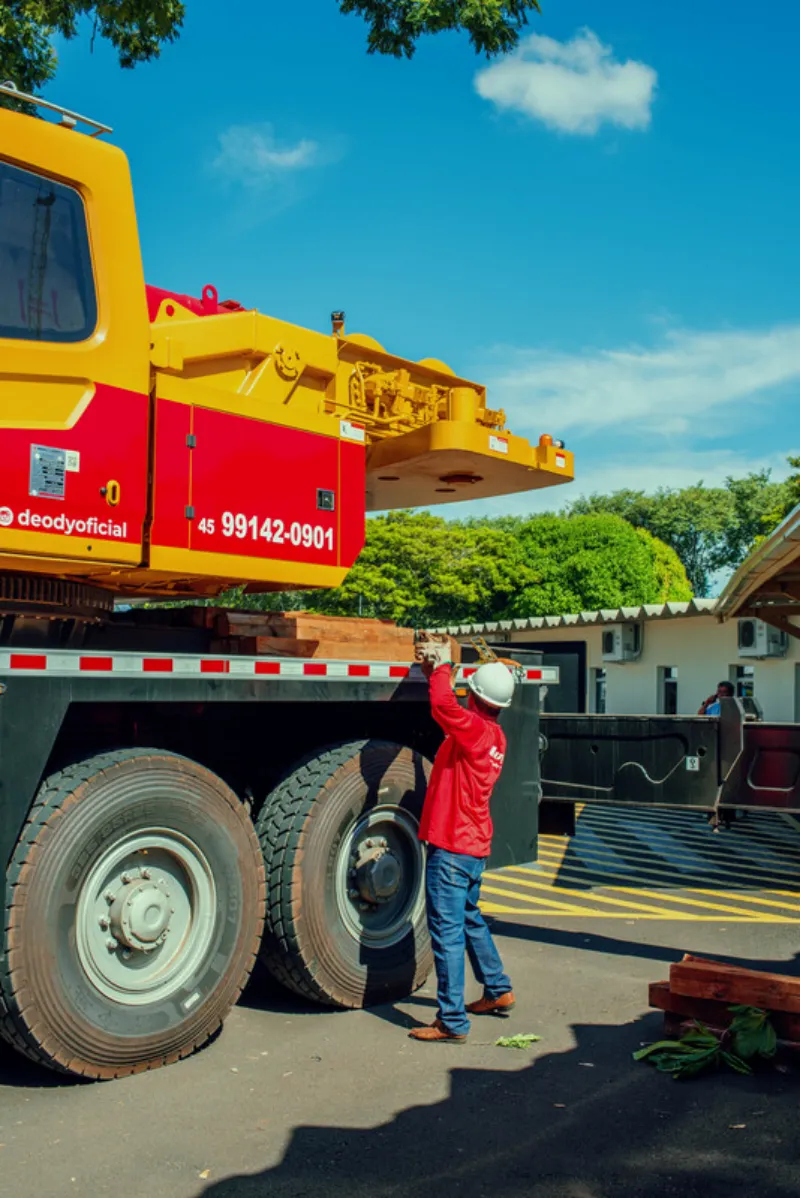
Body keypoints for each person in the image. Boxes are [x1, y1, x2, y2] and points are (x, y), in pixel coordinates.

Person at [409, 645, 516, 1044]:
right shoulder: (496, 735)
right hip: (473, 846)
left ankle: (452, 1021)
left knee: (447, 932)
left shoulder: (473, 729)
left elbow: (441, 707)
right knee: (469, 919)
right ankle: (497, 989)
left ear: (474, 696)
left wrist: (441, 668)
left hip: (453, 847)